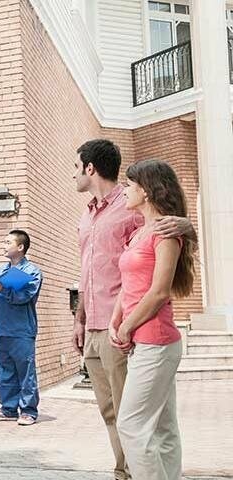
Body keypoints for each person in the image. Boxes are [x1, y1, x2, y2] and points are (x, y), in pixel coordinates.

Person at [71, 139, 192, 480]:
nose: (74, 174)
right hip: (99, 324)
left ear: (90, 167)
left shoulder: (131, 209)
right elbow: (88, 270)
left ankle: (131, 474)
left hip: (135, 331)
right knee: (115, 414)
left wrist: (187, 225)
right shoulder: (87, 215)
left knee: (135, 421)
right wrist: (80, 319)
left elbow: (166, 241)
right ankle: (124, 472)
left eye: (76, 167)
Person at [111, 159, 196, 480]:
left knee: (131, 424)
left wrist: (127, 326)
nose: (125, 190)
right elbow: (130, 284)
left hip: (156, 341)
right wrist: (116, 319)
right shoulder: (139, 233)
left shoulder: (166, 232)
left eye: (130, 185)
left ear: (145, 191)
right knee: (161, 426)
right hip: (142, 340)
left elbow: (159, 292)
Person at [0, 230, 42, 426]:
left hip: (22, 330)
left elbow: (24, 297)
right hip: (2, 328)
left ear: (20, 247)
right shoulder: (0, 271)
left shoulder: (32, 272)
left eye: (8, 242)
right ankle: (8, 409)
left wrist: (3, 290)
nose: (4, 245)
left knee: (25, 372)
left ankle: (28, 411)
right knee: (5, 372)